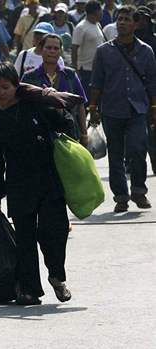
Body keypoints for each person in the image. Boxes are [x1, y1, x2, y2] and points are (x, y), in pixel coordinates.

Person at [0, 61, 73, 306]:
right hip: (18, 186)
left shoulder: (36, 107)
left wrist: (56, 106)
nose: (1, 93)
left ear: (16, 86)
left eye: (5, 87)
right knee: (25, 239)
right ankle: (28, 289)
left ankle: (57, 276)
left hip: (49, 182)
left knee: (54, 232)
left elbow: (67, 127)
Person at [89, 5, 156, 212]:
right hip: (111, 109)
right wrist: (93, 108)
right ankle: (121, 197)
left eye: (127, 19)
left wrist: (154, 107)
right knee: (115, 155)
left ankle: (138, 190)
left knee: (138, 149)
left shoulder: (146, 51)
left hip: (138, 109)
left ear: (135, 24)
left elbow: (153, 82)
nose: (122, 23)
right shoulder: (103, 51)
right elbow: (96, 82)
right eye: (120, 19)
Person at [21, 33, 88, 145]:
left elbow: (80, 105)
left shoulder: (70, 75)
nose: (52, 51)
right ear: (41, 49)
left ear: (60, 52)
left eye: (56, 48)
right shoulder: (29, 77)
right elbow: (22, 107)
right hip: (39, 135)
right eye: (48, 48)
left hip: (68, 135)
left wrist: (84, 134)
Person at [135, 6, 156, 175]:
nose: (142, 22)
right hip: (133, 93)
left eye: (145, 19)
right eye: (138, 19)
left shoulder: (153, 41)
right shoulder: (127, 43)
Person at [71, 0, 105, 102]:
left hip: (98, 69)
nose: (102, 13)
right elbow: (74, 48)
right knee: (86, 100)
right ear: (95, 12)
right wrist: (76, 69)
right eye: (100, 11)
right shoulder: (81, 27)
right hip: (85, 70)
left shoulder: (98, 25)